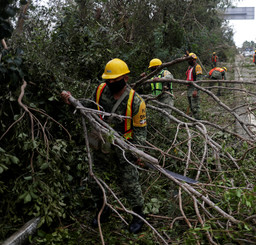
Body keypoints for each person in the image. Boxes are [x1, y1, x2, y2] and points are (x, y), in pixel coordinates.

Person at [61, 58, 147, 234]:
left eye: (115, 80)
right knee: (96, 180)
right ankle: (103, 209)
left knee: (130, 183)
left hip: (124, 148)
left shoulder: (136, 101)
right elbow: (89, 108)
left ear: (126, 78)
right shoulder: (101, 89)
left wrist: (138, 153)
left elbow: (140, 131)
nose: (111, 83)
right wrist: (72, 102)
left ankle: (139, 216)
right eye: (108, 80)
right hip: (100, 142)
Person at [148, 58, 174, 125]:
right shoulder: (153, 76)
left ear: (157, 67)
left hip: (166, 98)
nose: (151, 69)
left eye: (152, 68)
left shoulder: (165, 72)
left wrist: (160, 79)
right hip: (157, 99)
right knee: (159, 117)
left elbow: (170, 77)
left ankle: (167, 131)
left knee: (166, 117)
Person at [186, 53, 203, 119]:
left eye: (189, 60)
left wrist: (196, 90)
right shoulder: (190, 67)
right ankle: (194, 120)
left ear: (194, 60)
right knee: (191, 105)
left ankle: (198, 121)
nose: (188, 61)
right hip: (189, 88)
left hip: (194, 88)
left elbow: (199, 79)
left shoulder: (197, 67)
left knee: (195, 106)